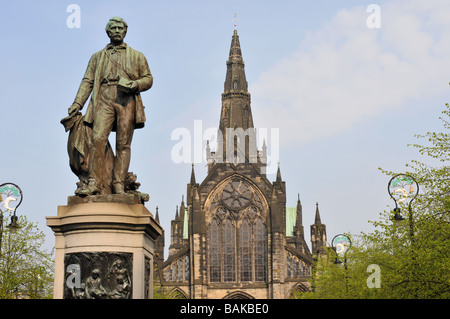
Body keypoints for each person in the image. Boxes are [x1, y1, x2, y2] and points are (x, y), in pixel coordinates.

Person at [67, 16, 153, 195]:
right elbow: (88, 81)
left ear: (125, 31)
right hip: (104, 97)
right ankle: (94, 183)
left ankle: (119, 184)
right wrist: (78, 103)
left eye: (120, 28)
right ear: (107, 32)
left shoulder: (137, 56)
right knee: (97, 139)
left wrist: (133, 85)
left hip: (126, 99)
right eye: (113, 28)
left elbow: (148, 79)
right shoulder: (97, 57)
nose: (116, 31)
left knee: (123, 144)